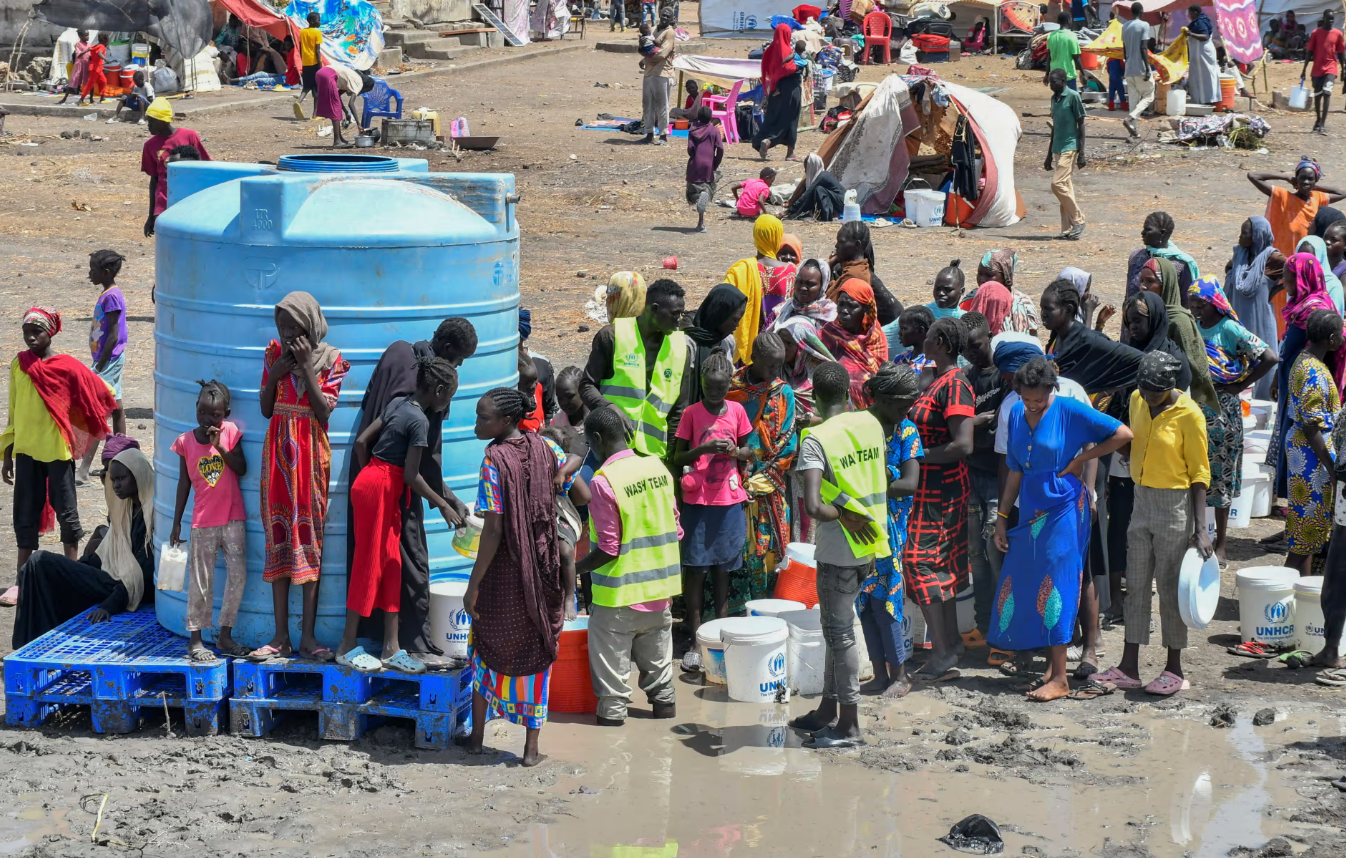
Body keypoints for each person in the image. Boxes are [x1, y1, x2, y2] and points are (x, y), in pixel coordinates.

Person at [992, 357, 1131, 701]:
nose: (1033, 405)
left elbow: (1122, 434)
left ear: (1051, 390)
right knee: (1030, 581)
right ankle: (1051, 671)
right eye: (1027, 399)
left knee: (1057, 584)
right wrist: (1002, 517)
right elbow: (1014, 470)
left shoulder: (1069, 409)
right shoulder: (1015, 413)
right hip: (1031, 510)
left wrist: (1082, 460)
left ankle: (1061, 680)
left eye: (1039, 399)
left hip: (1066, 507)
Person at [344, 319, 475, 663]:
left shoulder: (400, 364)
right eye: (458, 361)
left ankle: (391, 647)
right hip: (386, 486)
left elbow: (361, 440)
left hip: (379, 484)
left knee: (391, 564)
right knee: (368, 564)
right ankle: (347, 646)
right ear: (439, 392)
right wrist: (444, 502)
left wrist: (368, 470)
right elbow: (417, 472)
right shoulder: (419, 418)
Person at [1093, 352, 1212, 696]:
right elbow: (1135, 443)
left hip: (1175, 505)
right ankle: (1129, 666)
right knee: (1138, 585)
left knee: (1172, 589)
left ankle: (1174, 669)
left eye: (1154, 393)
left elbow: (1200, 473)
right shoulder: (1136, 400)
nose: (1147, 397)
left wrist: (1200, 528)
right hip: (1140, 499)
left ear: (1171, 387)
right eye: (1143, 390)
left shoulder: (1189, 414)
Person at [459, 388, 565, 767]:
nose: (476, 424)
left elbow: (493, 529)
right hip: (542, 569)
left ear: (505, 421)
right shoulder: (548, 450)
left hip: (504, 573)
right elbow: (577, 489)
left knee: (486, 647)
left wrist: (473, 585)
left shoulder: (493, 461)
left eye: (482, 418)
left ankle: (475, 739)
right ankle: (530, 750)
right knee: (537, 651)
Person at [248, 293, 350, 663]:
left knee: (309, 542)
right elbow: (264, 408)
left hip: (309, 457)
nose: (287, 332)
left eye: (294, 326)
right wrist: (276, 374)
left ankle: (307, 637)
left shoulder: (332, 359)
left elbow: (324, 412)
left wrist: (307, 366)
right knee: (278, 538)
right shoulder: (274, 354)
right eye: (282, 325)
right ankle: (280, 637)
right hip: (277, 457)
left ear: (310, 326)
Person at [791, 361, 889, 748]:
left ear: (814, 394)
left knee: (840, 634)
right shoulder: (869, 424)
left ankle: (848, 724)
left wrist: (844, 515)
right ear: (849, 393)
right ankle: (827, 710)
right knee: (837, 631)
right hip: (871, 543)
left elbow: (813, 506)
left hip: (839, 549)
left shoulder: (815, 441)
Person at [0, 307, 119, 608]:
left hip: (57, 451)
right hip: (26, 451)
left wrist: (84, 422)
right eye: (27, 331)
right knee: (25, 515)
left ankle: (72, 575)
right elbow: (13, 411)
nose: (31, 337)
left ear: (50, 332)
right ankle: (22, 581)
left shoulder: (66, 367)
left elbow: (102, 392)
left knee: (67, 513)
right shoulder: (19, 365)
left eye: (37, 331)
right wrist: (8, 453)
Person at [575, 405, 680, 725]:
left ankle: (611, 747)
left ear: (597, 439)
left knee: (612, 694)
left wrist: (575, 569)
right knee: (661, 680)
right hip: (660, 592)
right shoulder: (658, 468)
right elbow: (676, 528)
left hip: (617, 598)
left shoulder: (604, 482)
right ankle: (663, 712)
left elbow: (608, 548)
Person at [11, 439, 154, 647]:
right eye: (113, 480)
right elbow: (104, 555)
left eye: (121, 479)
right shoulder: (126, 509)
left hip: (125, 590)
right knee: (36, 569)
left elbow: (142, 572)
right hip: (114, 578)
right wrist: (76, 570)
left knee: (39, 562)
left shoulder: (152, 515)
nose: (116, 485)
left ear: (138, 476)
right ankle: (29, 643)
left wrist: (109, 606)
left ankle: (31, 643)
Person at [904, 317, 975, 682]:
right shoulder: (939, 380)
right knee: (940, 568)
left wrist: (916, 455)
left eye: (930, 335)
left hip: (942, 490)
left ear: (942, 343)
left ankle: (943, 651)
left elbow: (963, 444)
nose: (924, 339)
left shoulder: (956, 385)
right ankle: (951, 645)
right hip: (929, 488)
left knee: (918, 563)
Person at [1189, 277, 1278, 563]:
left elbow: (1269, 356)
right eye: (1192, 305)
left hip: (1223, 409)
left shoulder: (1229, 328)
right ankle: (1196, 534)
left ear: (1214, 303)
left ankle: (1222, 542)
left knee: (1222, 474)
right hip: (1197, 407)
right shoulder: (1194, 328)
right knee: (1196, 470)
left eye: (1200, 304)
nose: (1195, 310)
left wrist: (1240, 386)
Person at [672, 351, 752, 654]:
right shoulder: (692, 414)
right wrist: (703, 448)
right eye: (710, 387)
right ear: (702, 384)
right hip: (698, 501)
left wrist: (733, 451)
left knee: (723, 570)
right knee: (696, 570)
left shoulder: (736, 411)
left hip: (729, 501)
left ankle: (722, 633)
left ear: (729, 383)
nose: (715, 393)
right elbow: (678, 457)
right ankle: (695, 638)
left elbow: (750, 452)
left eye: (721, 388)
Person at [852, 363, 922, 699]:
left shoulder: (907, 432)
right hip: (858, 528)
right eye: (898, 405)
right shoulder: (861, 426)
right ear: (878, 398)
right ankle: (879, 674)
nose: (903, 412)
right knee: (864, 600)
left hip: (890, 531)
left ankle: (901, 675)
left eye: (907, 406)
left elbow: (909, 484)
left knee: (888, 601)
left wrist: (874, 482)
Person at [169, 381, 248, 661]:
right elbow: (183, 484)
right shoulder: (185, 442)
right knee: (200, 581)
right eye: (202, 413)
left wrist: (221, 448)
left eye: (215, 415)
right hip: (202, 522)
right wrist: (176, 521)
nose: (208, 420)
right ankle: (196, 640)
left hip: (233, 518)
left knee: (238, 577)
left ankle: (225, 636)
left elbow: (241, 468)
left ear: (225, 413)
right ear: (196, 410)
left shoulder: (231, 434)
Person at [579, 278, 691, 461]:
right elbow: (586, 386)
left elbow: (678, 410)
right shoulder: (612, 336)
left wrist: (670, 461)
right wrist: (609, 407)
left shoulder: (680, 348)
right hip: (610, 449)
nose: (679, 321)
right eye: (674, 314)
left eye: (681, 314)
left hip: (653, 456)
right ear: (653, 309)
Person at [726, 332, 796, 613]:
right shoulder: (731, 387)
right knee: (737, 547)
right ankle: (734, 610)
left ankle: (766, 609)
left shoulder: (783, 392)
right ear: (754, 359)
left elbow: (788, 442)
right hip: (731, 483)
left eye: (779, 367)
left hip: (766, 486)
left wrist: (759, 480)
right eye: (770, 367)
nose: (775, 373)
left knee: (766, 551)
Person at [1249, 159, 1346, 336]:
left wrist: (1314, 183)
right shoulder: (1283, 197)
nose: (1306, 183)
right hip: (1283, 264)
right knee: (1279, 303)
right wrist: (1286, 177)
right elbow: (1253, 176)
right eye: (1302, 178)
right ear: (1296, 179)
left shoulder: (1317, 199)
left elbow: (1341, 192)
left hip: (1307, 268)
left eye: (1310, 179)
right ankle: (1278, 340)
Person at [960, 312, 1009, 651]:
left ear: (989, 336)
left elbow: (997, 431)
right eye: (967, 349)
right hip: (972, 474)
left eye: (976, 346)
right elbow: (968, 428)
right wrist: (976, 424)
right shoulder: (967, 377)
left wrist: (973, 427)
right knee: (976, 555)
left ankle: (1004, 633)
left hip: (997, 477)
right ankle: (983, 625)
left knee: (996, 556)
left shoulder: (1003, 377)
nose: (972, 354)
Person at [1283, 310, 1344, 575]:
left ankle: (1304, 589)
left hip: (1307, 453)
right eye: (1341, 333)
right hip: (1311, 458)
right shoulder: (1314, 372)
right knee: (1306, 531)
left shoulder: (1306, 360)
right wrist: (1332, 469)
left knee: (1310, 531)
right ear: (1332, 339)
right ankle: (1287, 590)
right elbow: (1311, 427)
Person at [76, 250, 129, 485]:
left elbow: (114, 335)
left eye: (93, 269)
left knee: (98, 413)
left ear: (105, 272)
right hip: (109, 360)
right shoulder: (107, 294)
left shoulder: (112, 297)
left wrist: (100, 364)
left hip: (109, 361)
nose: (90, 273)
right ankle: (122, 459)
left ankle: (83, 470)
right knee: (116, 409)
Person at [724, 215, 792, 364]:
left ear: (756, 236)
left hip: (746, 347)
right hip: (779, 348)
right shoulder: (791, 271)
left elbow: (724, 302)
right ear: (777, 237)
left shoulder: (741, 270)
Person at [770, 258, 838, 404]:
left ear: (822, 286)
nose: (803, 288)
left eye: (810, 284)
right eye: (799, 282)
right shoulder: (783, 309)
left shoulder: (829, 317)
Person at [141, 99, 211, 238]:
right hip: (163, 202)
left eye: (152, 121)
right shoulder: (149, 146)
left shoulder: (189, 136)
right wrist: (151, 216)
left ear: (163, 120)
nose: (148, 125)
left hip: (189, 199)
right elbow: (154, 180)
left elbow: (205, 168)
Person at [1227, 216, 1281, 396]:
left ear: (1257, 236)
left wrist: (1275, 289)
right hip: (1238, 318)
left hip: (1260, 321)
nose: (1240, 238)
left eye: (1245, 234)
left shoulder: (1272, 258)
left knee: (1263, 362)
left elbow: (1297, 270)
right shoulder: (1240, 255)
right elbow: (1229, 270)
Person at [820, 279, 888, 407]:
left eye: (851, 306)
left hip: (869, 408)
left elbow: (881, 377)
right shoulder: (828, 334)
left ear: (866, 308)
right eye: (841, 304)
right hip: (834, 406)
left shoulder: (875, 338)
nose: (844, 311)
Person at [1124, 212, 1201, 316]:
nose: (1142, 233)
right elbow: (1128, 295)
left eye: (1148, 229)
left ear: (1162, 233)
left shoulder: (1180, 264)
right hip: (1133, 322)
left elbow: (1185, 303)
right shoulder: (1136, 257)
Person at [684, 282, 747, 403]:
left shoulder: (727, 341)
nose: (737, 325)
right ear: (720, 315)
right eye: (734, 319)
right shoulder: (689, 342)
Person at [1045, 68, 1086, 241]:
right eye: (1050, 82)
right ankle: (1067, 229)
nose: (1050, 85)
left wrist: (1082, 152)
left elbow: (1081, 124)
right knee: (1066, 188)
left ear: (1063, 81)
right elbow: (1054, 128)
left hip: (1070, 146)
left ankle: (1079, 219)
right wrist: (1048, 155)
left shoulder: (1073, 97)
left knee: (1057, 184)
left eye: (1054, 82)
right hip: (1057, 147)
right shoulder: (1054, 99)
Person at [755, 23, 804, 161]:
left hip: (775, 90)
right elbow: (788, 69)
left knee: (774, 118)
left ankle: (764, 140)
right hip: (791, 90)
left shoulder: (770, 50)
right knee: (791, 120)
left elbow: (771, 70)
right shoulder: (787, 50)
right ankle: (786, 151)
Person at [968, 249, 1040, 334]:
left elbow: (1032, 335)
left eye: (989, 275)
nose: (982, 279)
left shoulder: (1023, 303)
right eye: (979, 273)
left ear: (1006, 276)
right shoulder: (971, 299)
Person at [1302, 11, 1345, 134]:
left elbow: (1341, 53)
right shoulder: (1316, 33)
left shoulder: (1338, 34)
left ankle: (1322, 124)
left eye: (1332, 19)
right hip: (1317, 69)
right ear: (1324, 18)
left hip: (1331, 68)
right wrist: (1304, 69)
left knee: (1327, 93)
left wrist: (1343, 69)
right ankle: (1318, 119)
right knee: (1318, 95)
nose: (1330, 21)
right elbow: (1309, 52)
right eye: (1328, 19)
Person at [639, 8, 677, 145]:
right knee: (647, 104)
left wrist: (644, 60)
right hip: (649, 72)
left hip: (663, 72)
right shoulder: (653, 30)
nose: (665, 18)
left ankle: (663, 135)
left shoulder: (670, 32)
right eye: (663, 15)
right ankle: (649, 133)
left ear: (672, 19)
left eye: (668, 16)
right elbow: (645, 47)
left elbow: (662, 54)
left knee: (661, 105)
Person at [1122, 2, 1157, 138]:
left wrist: (1127, 62)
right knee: (1149, 95)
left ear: (1132, 12)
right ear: (1141, 11)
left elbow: (1124, 49)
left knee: (1133, 99)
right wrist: (1147, 68)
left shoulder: (1125, 26)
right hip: (1140, 67)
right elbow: (1143, 47)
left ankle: (1133, 131)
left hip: (1129, 68)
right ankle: (1130, 118)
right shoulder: (1144, 25)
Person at [686, 105, 723, 233]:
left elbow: (690, 149)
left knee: (692, 190)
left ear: (698, 117)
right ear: (710, 118)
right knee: (707, 187)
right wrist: (715, 163)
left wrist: (694, 156)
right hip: (708, 164)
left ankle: (699, 199)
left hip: (695, 163)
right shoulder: (714, 130)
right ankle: (700, 223)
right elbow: (721, 148)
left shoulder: (692, 130)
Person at [787, 152, 846, 222]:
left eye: (806, 168)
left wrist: (789, 211)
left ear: (812, 167)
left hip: (842, 203)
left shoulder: (822, 177)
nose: (805, 171)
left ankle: (828, 215)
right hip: (838, 201)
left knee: (818, 190)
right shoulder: (818, 176)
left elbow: (807, 194)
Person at [1183, 5, 1220, 105]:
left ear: (1195, 12)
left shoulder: (1200, 22)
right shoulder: (1199, 20)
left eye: (1190, 13)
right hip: (1201, 52)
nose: (1189, 15)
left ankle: (1206, 100)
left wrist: (1191, 34)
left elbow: (1205, 36)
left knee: (1205, 76)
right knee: (1201, 76)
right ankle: (1202, 99)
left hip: (1203, 52)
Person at [1298, 234, 1345, 311]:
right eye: (1300, 256)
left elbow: (1334, 319)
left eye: (1310, 258)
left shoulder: (1332, 285)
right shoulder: (1295, 281)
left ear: (1320, 257)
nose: (1304, 262)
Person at [829, 220, 874, 293]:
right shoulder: (859, 268)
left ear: (857, 245)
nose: (836, 246)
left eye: (841, 242)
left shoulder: (853, 275)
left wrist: (829, 264)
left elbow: (830, 297)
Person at [312, 64, 352, 148]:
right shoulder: (351, 82)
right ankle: (337, 141)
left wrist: (345, 111)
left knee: (335, 106)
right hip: (327, 75)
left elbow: (337, 96)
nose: (350, 94)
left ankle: (340, 138)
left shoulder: (345, 78)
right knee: (336, 109)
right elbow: (350, 103)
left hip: (320, 74)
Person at [295, 12, 324, 120]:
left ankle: (298, 102)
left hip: (306, 63)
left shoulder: (302, 32)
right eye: (318, 20)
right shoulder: (317, 33)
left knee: (306, 87)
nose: (319, 22)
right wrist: (320, 66)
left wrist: (303, 60)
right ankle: (315, 114)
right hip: (315, 63)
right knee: (316, 90)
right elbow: (317, 51)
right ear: (313, 21)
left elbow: (301, 48)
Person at [1045, 12, 1084, 90]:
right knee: (1070, 99)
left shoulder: (1051, 36)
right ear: (1069, 20)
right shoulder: (1072, 36)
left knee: (1058, 99)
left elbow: (1049, 57)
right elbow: (1076, 58)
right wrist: (1083, 73)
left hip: (1054, 76)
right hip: (1068, 76)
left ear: (1058, 22)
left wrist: (1047, 75)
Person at [56, 30, 91, 105]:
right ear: (80, 36)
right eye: (86, 35)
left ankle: (90, 99)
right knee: (73, 82)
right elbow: (78, 54)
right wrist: (86, 50)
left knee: (89, 82)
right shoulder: (78, 44)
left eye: (88, 35)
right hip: (79, 66)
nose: (87, 37)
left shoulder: (89, 44)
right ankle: (64, 98)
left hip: (86, 66)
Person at [77, 33, 109, 106]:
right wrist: (105, 59)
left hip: (97, 68)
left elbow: (92, 50)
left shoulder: (96, 46)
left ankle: (102, 97)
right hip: (95, 68)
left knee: (103, 81)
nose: (108, 43)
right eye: (107, 41)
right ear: (105, 41)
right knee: (90, 84)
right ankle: (81, 99)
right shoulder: (102, 46)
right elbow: (99, 53)